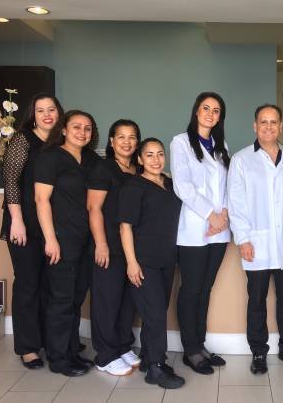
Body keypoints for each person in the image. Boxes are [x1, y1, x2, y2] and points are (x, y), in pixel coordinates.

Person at [227, 104, 283, 375]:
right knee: (257, 301)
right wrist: (243, 239)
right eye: (263, 122)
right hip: (256, 242)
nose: (268, 127)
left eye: (274, 122)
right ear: (254, 126)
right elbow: (236, 202)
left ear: (280, 126)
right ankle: (259, 352)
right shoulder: (241, 159)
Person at [34, 110, 101, 377]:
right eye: (76, 127)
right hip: (61, 239)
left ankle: (72, 350)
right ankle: (59, 359)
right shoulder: (50, 157)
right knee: (61, 300)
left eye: (87, 128)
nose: (82, 132)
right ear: (63, 129)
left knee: (75, 299)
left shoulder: (92, 159)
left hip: (86, 240)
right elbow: (41, 200)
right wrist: (50, 239)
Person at [1, 93, 64, 369]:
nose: (47, 114)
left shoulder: (62, 142)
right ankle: (28, 348)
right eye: (41, 110)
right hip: (24, 221)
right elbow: (11, 181)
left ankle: (50, 341)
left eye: (52, 109)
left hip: (52, 223)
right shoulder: (23, 139)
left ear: (59, 113)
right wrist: (16, 219)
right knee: (28, 284)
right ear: (33, 115)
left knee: (50, 285)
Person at [170, 92, 231, 375]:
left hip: (219, 231)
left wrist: (224, 215)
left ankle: (201, 344)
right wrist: (211, 215)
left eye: (216, 110)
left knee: (205, 289)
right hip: (195, 229)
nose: (210, 114)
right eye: (206, 108)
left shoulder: (221, 145)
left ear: (220, 117)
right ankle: (190, 349)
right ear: (196, 111)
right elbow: (182, 186)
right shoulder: (181, 143)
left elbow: (229, 185)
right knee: (192, 288)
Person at [119, 138, 185, 389]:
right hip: (143, 261)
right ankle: (156, 367)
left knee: (154, 313)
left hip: (166, 259)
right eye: (149, 155)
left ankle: (148, 358)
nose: (156, 159)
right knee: (156, 314)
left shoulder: (169, 183)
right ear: (139, 159)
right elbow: (125, 227)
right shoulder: (134, 187)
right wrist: (131, 263)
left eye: (160, 154)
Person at [87, 119, 141, 376]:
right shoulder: (104, 168)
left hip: (132, 246)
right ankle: (106, 354)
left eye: (132, 137)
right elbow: (94, 208)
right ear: (111, 141)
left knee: (127, 300)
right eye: (121, 137)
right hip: (108, 243)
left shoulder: (138, 169)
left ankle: (122, 345)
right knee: (107, 300)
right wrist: (101, 244)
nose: (126, 142)